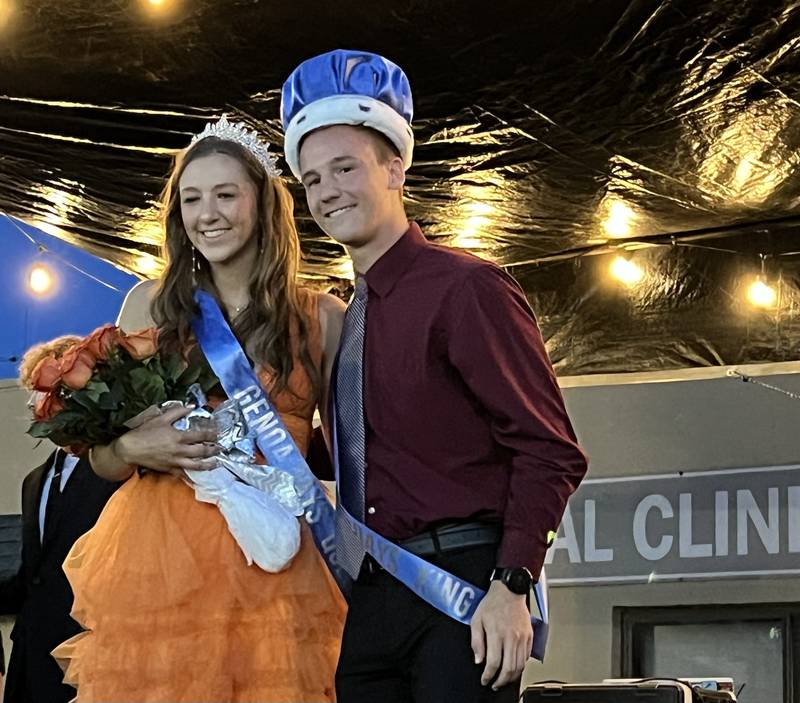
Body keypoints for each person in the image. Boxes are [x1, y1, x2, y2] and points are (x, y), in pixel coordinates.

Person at [281, 50, 589, 703]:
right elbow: (369, 453)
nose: (328, 190)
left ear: (395, 167)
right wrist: (254, 436)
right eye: (311, 180)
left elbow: (550, 449)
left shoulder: (467, 287)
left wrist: (511, 586)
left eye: (345, 167)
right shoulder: (346, 315)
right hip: (371, 597)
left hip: (463, 587)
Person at [52, 117, 347, 702]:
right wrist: (134, 448)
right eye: (192, 198)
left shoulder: (323, 317)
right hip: (165, 559)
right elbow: (105, 459)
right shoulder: (154, 310)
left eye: (225, 194)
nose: (207, 213)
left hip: (276, 561)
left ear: (262, 204)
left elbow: (353, 453)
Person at [0, 337, 121, 703]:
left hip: (87, 657)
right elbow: (33, 575)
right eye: (35, 394)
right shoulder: (34, 480)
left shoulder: (122, 472)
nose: (39, 405)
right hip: (31, 656)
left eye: (50, 391)